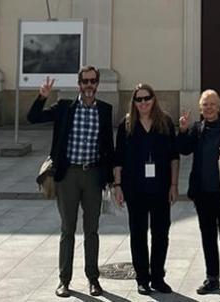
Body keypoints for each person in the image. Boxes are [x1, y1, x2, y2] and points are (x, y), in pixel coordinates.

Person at [27, 66, 113, 298]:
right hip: (68, 176)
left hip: (93, 175)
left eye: (92, 81)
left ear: (97, 84)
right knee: (68, 229)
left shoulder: (105, 110)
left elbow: (109, 147)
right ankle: (64, 281)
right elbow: (33, 118)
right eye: (85, 81)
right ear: (79, 84)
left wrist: (111, 180)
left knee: (91, 230)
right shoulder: (65, 108)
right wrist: (42, 97)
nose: (89, 86)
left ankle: (93, 279)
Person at [177, 90, 220, 301]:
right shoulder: (197, 129)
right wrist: (182, 130)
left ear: (219, 106)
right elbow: (184, 150)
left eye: (212, 104)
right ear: (200, 107)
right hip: (202, 193)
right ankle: (212, 278)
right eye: (205, 104)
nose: (209, 108)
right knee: (208, 237)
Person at [111, 83, 180, 295]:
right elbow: (119, 157)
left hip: (160, 188)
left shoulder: (165, 122)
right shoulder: (127, 124)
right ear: (134, 102)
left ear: (153, 99)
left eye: (146, 98)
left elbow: (174, 157)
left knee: (161, 233)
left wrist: (174, 185)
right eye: (138, 99)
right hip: (135, 188)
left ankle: (158, 277)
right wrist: (117, 185)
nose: (143, 103)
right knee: (138, 234)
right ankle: (142, 278)